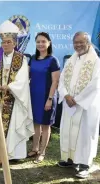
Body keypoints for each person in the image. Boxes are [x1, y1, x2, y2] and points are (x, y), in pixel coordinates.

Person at [57, 32, 100, 178]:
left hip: (86, 106)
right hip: (69, 103)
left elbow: (94, 85)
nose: (78, 45)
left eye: (81, 42)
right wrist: (66, 95)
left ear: (88, 43)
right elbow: (62, 80)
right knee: (69, 131)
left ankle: (84, 164)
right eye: (75, 42)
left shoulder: (97, 63)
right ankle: (70, 159)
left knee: (84, 134)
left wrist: (77, 99)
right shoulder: (70, 61)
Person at [0, 20, 34, 160]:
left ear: (14, 43)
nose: (5, 45)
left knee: (14, 125)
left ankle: (13, 154)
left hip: (14, 98)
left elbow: (23, 78)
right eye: (3, 42)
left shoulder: (21, 59)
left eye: (8, 42)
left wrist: (9, 87)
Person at [28, 32, 60, 163]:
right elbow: (26, 76)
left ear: (49, 43)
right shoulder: (33, 58)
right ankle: (35, 148)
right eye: (38, 42)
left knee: (45, 126)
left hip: (47, 97)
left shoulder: (53, 60)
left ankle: (42, 152)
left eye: (43, 41)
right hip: (34, 96)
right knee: (36, 123)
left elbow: (55, 82)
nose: (40, 44)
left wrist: (50, 99)